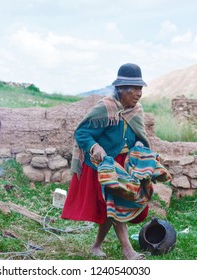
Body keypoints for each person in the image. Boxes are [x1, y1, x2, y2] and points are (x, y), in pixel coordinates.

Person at [62, 63, 152, 260]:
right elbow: (82, 133)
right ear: (122, 89)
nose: (139, 93)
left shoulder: (135, 110)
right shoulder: (105, 108)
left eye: (140, 89)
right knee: (115, 204)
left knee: (112, 209)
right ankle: (128, 251)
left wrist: (144, 157)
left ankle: (96, 246)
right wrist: (95, 147)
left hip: (125, 165)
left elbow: (139, 137)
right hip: (105, 165)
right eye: (135, 89)